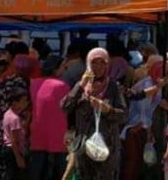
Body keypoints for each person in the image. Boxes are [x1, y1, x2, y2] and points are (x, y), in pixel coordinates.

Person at [61, 47, 126, 180]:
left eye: (102, 63)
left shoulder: (113, 87)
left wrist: (107, 109)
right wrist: (81, 85)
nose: (98, 67)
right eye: (94, 63)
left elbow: (123, 115)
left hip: (107, 146)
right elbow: (65, 107)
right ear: (88, 64)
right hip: (83, 146)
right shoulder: (81, 86)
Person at [29, 55, 70, 180]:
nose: (65, 69)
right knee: (60, 170)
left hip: (37, 132)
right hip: (59, 133)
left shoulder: (34, 83)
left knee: (37, 168)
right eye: (63, 66)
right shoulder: (62, 86)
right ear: (55, 69)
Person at [0, 89, 29, 180]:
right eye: (23, 101)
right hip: (13, 150)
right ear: (15, 102)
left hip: (8, 149)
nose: (26, 103)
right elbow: (14, 140)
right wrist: (18, 158)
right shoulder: (14, 118)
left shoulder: (8, 114)